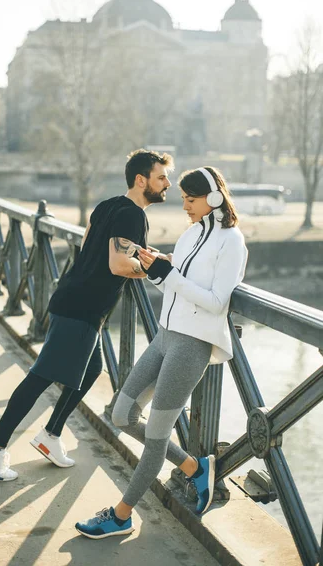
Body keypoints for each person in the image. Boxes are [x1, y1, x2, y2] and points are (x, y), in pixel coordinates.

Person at [0, 149, 173, 482]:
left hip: (74, 299)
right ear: (142, 180)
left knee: (92, 369)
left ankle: (50, 435)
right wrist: (155, 269)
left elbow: (91, 245)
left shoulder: (107, 206)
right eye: (162, 177)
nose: (168, 184)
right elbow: (117, 264)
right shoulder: (134, 215)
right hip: (83, 308)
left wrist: (142, 255)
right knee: (41, 376)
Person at [75, 166, 248, 539]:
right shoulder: (190, 234)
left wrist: (171, 276)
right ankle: (195, 468)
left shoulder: (232, 242)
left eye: (190, 199)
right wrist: (159, 268)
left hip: (192, 346)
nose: (183, 204)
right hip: (165, 336)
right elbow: (175, 284)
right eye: (183, 197)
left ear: (213, 198)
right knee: (122, 414)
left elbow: (218, 303)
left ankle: (121, 515)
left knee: (156, 435)